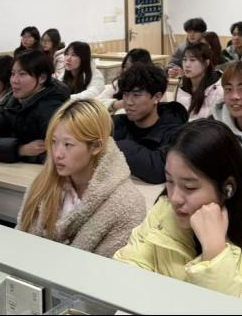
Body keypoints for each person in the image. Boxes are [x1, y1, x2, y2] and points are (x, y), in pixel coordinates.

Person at [113, 120, 242, 315]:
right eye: (169, 181)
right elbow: (128, 274)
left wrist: (215, 254)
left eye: (190, 187)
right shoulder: (163, 213)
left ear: (227, 189)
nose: (175, 198)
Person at [17, 99, 146, 258]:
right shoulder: (42, 184)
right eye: (54, 142)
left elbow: (108, 268)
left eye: (68, 145)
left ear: (96, 146)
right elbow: (20, 242)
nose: (57, 153)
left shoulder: (127, 206)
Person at [0, 50, 70, 163]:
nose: (14, 81)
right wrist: (21, 149)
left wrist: (8, 150)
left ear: (42, 78)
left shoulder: (53, 107)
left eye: (22, 74)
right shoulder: (10, 101)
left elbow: (56, 153)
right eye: (13, 74)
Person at [112, 63, 188, 184]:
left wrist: (116, 146)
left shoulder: (175, 130)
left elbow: (161, 170)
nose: (128, 102)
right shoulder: (118, 123)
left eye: (136, 95)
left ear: (157, 97)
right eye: (125, 94)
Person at [175, 42, 223, 121]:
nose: (187, 65)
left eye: (192, 60)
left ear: (206, 63)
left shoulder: (218, 89)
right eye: (184, 60)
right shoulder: (181, 85)